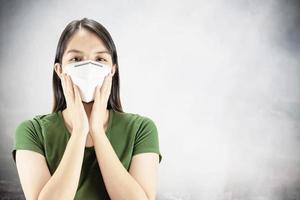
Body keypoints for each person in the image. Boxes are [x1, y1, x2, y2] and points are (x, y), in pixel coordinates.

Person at [11, 18, 162, 200]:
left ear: (112, 70)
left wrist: (97, 131)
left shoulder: (141, 129)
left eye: (100, 58)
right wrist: (80, 131)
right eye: (76, 59)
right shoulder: (32, 131)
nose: (89, 68)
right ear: (59, 70)